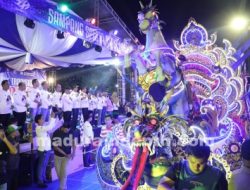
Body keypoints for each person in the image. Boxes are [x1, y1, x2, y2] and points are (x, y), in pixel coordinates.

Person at [157, 140, 228, 190]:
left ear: (207, 160)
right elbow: (161, 186)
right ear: (187, 157)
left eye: (201, 163)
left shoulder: (218, 175)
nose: (196, 167)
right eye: (192, 162)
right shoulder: (178, 167)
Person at [35, 112, 56, 188]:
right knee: (41, 166)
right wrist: (52, 118)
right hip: (43, 150)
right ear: (38, 120)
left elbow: (51, 128)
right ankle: (40, 181)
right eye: (42, 119)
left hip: (46, 149)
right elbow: (50, 127)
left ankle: (43, 179)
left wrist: (53, 119)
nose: (43, 120)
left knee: (44, 165)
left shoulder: (42, 128)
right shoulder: (39, 128)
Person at [52, 123, 76, 190]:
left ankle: (62, 188)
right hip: (58, 156)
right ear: (62, 128)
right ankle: (64, 186)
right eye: (66, 130)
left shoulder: (71, 131)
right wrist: (65, 154)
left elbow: (74, 143)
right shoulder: (56, 133)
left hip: (67, 157)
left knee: (64, 172)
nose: (67, 131)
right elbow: (55, 147)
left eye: (68, 130)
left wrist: (74, 152)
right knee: (59, 173)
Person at [6, 118, 20, 190]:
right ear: (12, 132)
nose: (18, 131)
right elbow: (13, 150)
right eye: (16, 129)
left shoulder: (16, 138)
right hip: (10, 163)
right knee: (9, 180)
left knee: (15, 180)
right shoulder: (8, 139)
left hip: (16, 162)